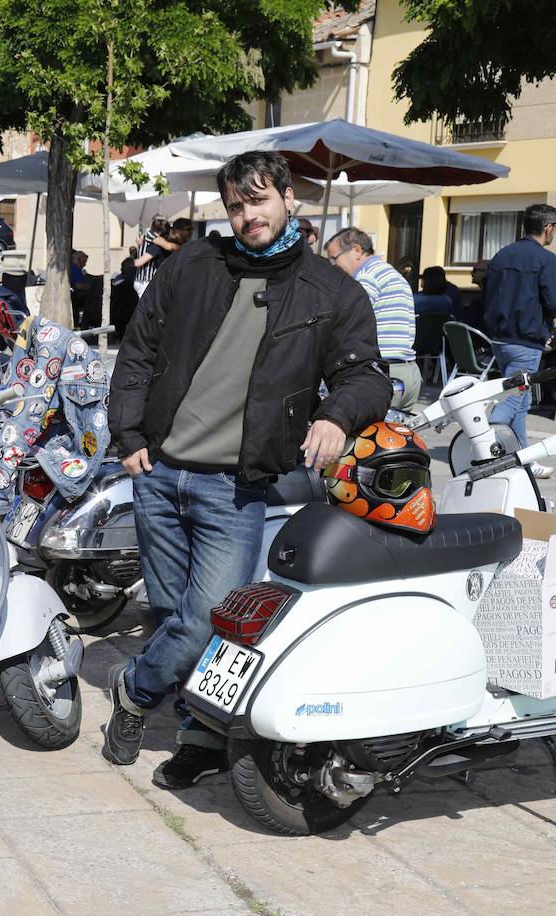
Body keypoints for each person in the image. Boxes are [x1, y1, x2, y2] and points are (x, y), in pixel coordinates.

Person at [103, 150, 390, 788]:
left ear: (289, 198)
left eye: (258, 200)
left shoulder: (332, 291)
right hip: (157, 470)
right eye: (235, 205)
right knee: (172, 612)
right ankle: (197, 737)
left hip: (234, 486)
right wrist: (127, 435)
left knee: (210, 619)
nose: (247, 215)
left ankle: (135, 690)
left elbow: (367, 375)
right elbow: (139, 349)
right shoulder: (193, 265)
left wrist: (336, 417)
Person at [482, 203, 556, 473]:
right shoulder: (546, 260)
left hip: (500, 340)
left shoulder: (501, 255)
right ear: (548, 228)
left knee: (521, 404)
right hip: (526, 343)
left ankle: (524, 460)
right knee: (513, 401)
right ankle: (481, 446)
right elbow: (554, 302)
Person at [325, 227, 421, 411]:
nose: (333, 265)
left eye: (334, 258)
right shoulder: (390, 272)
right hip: (408, 371)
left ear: (356, 250)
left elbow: (346, 322)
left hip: (384, 371)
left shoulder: (365, 278)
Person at [131, 216, 179, 299]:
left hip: (141, 280)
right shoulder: (153, 238)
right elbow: (168, 246)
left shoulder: (148, 238)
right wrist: (184, 247)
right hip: (145, 281)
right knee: (147, 308)